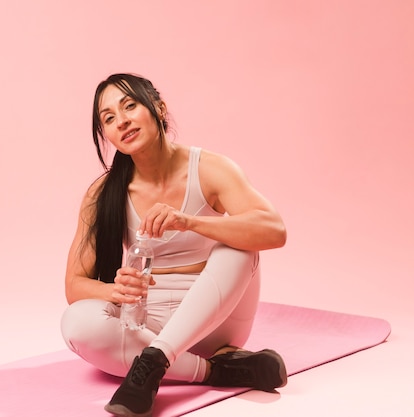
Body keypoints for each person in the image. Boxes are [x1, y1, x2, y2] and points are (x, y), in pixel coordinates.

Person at [60, 73, 288, 417]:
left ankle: (154, 361)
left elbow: (274, 231)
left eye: (129, 106)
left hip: (217, 321)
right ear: (106, 135)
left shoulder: (209, 168)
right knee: (76, 322)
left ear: (159, 108)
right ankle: (214, 371)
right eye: (108, 118)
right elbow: (74, 285)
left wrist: (191, 222)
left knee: (237, 244)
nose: (121, 121)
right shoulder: (103, 194)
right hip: (147, 324)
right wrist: (115, 291)